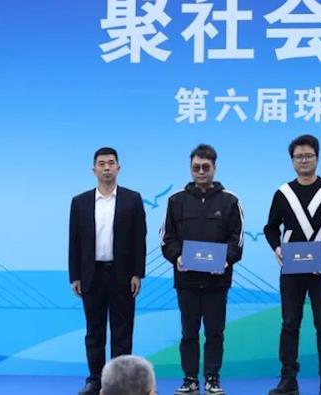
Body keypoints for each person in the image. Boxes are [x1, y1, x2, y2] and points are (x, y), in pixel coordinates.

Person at [265, 134, 321, 395]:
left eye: (308, 155)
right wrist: (277, 248)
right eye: (298, 156)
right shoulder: (283, 193)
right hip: (291, 270)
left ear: (317, 158)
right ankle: (288, 379)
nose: (303, 160)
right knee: (290, 324)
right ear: (292, 160)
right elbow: (270, 228)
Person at [161, 144, 244, 395]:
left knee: (215, 333)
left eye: (205, 167)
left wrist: (226, 260)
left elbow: (237, 240)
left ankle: (212, 378)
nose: (200, 172)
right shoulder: (176, 200)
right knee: (188, 333)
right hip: (186, 281)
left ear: (214, 168)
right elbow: (167, 238)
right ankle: (189, 378)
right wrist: (177, 257)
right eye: (196, 167)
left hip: (217, 282)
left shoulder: (230, 200)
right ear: (190, 168)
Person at [69, 147, 147, 395]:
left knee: (122, 332)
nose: (106, 168)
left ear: (118, 168)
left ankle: (120, 383)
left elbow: (139, 239)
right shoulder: (80, 202)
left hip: (122, 275)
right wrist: (75, 275)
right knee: (94, 332)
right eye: (101, 164)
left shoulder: (132, 199)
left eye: (111, 163)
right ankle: (95, 380)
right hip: (91, 275)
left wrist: (137, 273)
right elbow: (74, 241)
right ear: (93, 170)